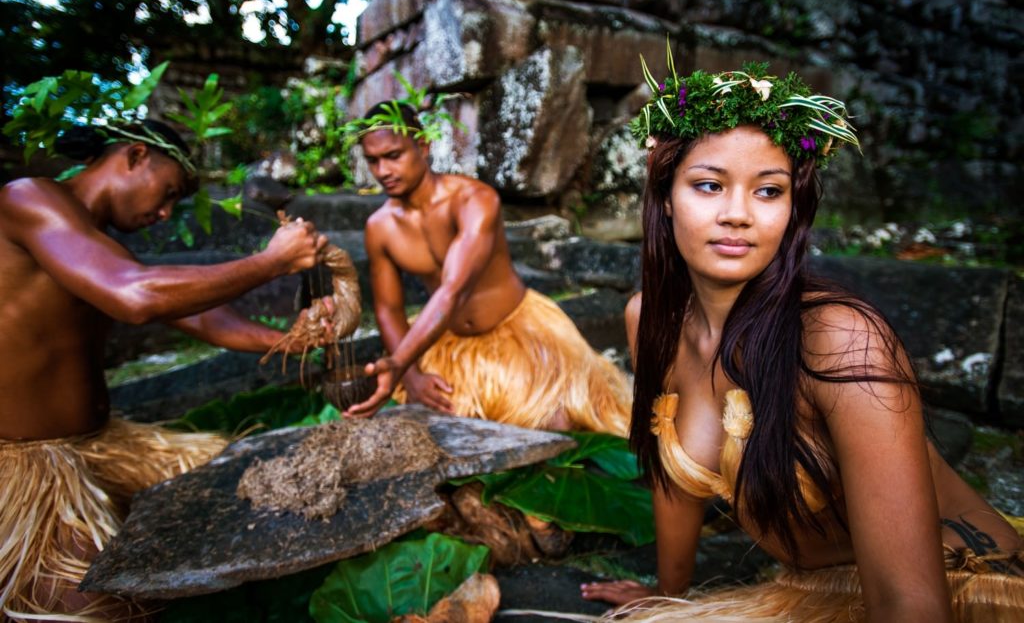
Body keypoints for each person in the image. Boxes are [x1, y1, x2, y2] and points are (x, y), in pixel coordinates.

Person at [578, 62, 1023, 621]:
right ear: (665, 196)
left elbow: (911, 600)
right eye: (709, 185)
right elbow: (675, 481)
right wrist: (671, 596)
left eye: (768, 191)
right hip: (816, 587)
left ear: (792, 211)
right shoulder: (650, 319)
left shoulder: (839, 339)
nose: (737, 214)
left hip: (962, 590)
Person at [0, 120, 330, 621]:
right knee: (111, 607)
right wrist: (270, 263)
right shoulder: (30, 198)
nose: (164, 212)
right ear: (135, 156)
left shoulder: (90, 239)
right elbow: (135, 296)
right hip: (28, 470)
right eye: (169, 191)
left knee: (248, 489)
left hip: (99, 447)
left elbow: (196, 314)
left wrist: (290, 342)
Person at [343, 101, 632, 436]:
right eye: (373, 161)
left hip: (517, 330)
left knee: (556, 421)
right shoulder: (379, 227)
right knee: (447, 426)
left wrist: (397, 362)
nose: (383, 171)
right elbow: (387, 308)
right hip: (449, 342)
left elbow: (453, 288)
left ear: (422, 146)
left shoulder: (474, 200)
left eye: (393, 156)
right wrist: (411, 375)